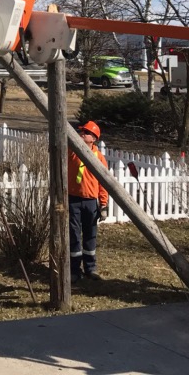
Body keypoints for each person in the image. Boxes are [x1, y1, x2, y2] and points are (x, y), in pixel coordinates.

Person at [68, 120, 109, 282]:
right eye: (81, 132)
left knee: (90, 236)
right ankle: (74, 270)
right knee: (74, 236)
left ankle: (90, 269)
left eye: (85, 133)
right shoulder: (72, 151)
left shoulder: (99, 157)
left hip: (91, 202)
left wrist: (103, 204)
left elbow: (104, 182)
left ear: (94, 138)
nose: (82, 134)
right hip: (73, 200)